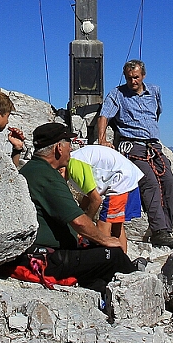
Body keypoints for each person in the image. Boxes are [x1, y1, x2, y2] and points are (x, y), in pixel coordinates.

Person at [18, 122, 140, 296]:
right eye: (69, 144)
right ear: (59, 148)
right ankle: (138, 291)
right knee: (113, 255)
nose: (71, 149)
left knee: (96, 264)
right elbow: (78, 221)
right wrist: (105, 240)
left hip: (41, 252)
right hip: (49, 257)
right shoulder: (48, 176)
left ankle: (102, 292)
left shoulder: (32, 169)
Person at [97, 59, 173, 249]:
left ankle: (167, 228)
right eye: (129, 78)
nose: (132, 81)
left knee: (168, 181)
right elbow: (104, 116)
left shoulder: (154, 92)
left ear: (143, 76)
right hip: (132, 146)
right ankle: (158, 231)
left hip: (153, 146)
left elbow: (156, 114)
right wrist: (101, 139)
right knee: (149, 181)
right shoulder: (117, 94)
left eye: (136, 77)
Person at [64, 144, 143, 253]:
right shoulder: (75, 161)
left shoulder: (74, 166)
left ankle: (107, 260)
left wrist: (85, 225)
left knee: (103, 224)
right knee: (116, 224)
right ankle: (123, 260)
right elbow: (89, 195)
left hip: (121, 179)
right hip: (127, 175)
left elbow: (96, 200)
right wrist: (80, 213)